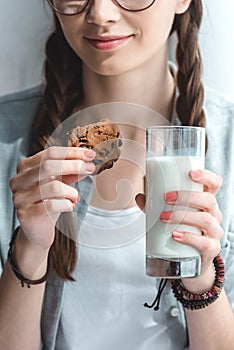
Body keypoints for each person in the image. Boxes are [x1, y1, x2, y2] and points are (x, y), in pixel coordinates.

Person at [0, 0, 234, 349]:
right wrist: (30, 248)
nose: (100, 14)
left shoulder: (227, 146)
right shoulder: (7, 138)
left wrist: (201, 279)